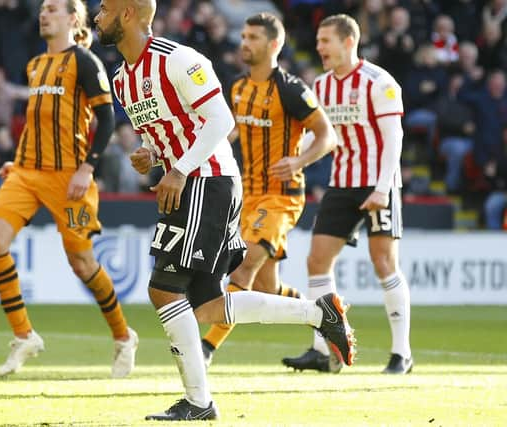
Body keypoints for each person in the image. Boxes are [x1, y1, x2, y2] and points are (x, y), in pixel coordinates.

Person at [95, 0, 355, 421]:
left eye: (105, 9)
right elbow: (169, 133)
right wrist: (151, 154)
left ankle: (199, 402)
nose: (97, 15)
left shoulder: (178, 58)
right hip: (187, 183)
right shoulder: (123, 79)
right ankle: (318, 312)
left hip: (206, 181)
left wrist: (177, 169)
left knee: (163, 288)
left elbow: (219, 121)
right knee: (208, 306)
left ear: (128, 15)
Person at [0, 0, 138, 379]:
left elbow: (105, 118)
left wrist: (88, 167)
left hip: (69, 176)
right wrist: (17, 162)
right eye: (42, 9)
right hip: (27, 173)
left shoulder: (85, 62)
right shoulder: (35, 65)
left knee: (82, 264)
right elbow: (36, 123)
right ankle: (24, 335)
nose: (43, 14)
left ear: (72, 19)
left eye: (52, 9)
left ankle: (123, 336)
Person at [200, 12, 337, 367]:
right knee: (266, 291)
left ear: (274, 44)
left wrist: (300, 160)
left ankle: (205, 349)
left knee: (241, 270)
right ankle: (327, 316)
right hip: (248, 195)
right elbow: (228, 131)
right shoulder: (238, 86)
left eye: (254, 37)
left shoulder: (290, 89)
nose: (245, 43)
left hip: (281, 196)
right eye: (244, 36)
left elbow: (327, 135)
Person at [282, 14, 412, 375]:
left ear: (348, 42)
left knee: (384, 261)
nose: (319, 47)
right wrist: (297, 159)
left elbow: (393, 138)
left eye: (326, 41)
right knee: (316, 261)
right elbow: (320, 135)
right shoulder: (321, 86)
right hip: (342, 182)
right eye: (319, 41)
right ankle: (324, 349)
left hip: (377, 182)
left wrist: (384, 188)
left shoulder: (379, 82)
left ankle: (402, 353)